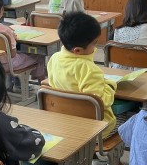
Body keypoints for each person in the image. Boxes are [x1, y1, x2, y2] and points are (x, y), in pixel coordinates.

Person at [47, 11, 117, 139]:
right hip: (95, 130)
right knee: (129, 121)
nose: (95, 48)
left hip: (65, 123)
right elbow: (101, 102)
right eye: (94, 44)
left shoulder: (54, 58)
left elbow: (52, 85)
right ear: (78, 50)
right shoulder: (89, 69)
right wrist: (110, 86)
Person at [0, 0, 45, 89]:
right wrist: (13, 37)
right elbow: (13, 54)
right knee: (39, 55)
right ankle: (42, 87)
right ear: (1, 10)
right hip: (7, 65)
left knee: (21, 55)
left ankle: (18, 84)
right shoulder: (5, 31)